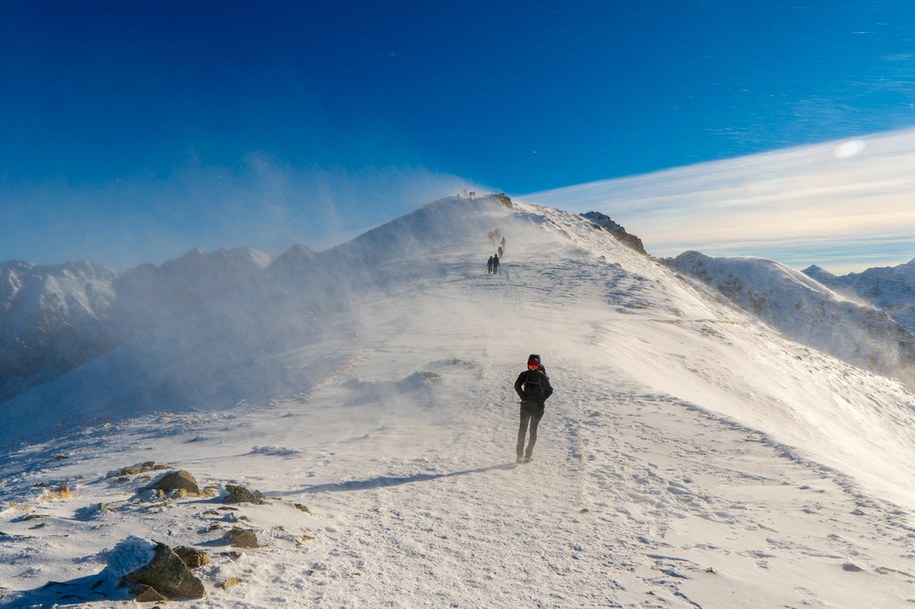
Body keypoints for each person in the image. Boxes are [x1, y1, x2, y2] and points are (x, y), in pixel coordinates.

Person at [513, 354, 553, 463]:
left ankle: (528, 455)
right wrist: (523, 397)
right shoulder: (524, 375)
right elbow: (517, 385)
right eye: (531, 366)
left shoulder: (542, 376)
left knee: (532, 430)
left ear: (539, 366)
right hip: (527, 406)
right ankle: (520, 455)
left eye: (535, 367)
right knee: (523, 430)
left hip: (537, 408)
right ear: (527, 365)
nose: (533, 368)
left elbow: (549, 390)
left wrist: (540, 400)